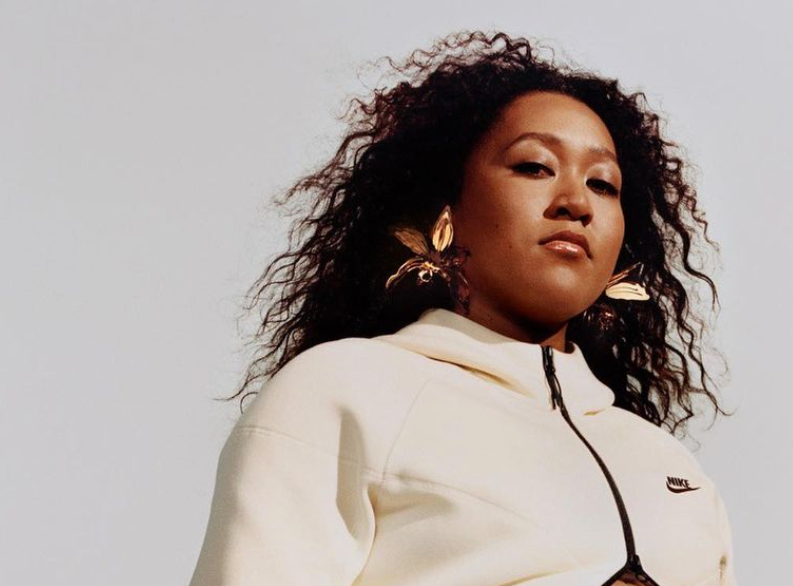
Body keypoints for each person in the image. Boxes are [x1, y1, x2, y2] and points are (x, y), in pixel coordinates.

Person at [188, 30, 738, 586]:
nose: (577, 203)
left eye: (603, 184)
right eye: (534, 167)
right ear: (447, 206)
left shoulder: (669, 464)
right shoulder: (341, 393)